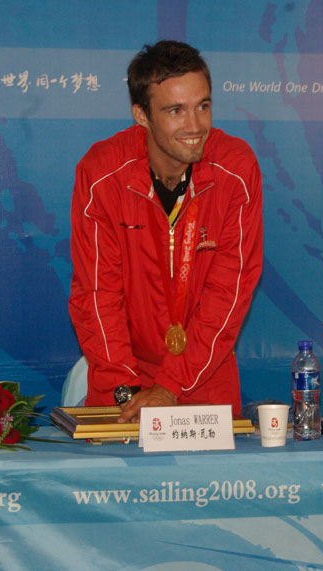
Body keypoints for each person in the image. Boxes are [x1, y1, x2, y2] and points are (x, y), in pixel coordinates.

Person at [69, 40, 263, 422]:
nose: (195, 127)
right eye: (176, 111)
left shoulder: (236, 171)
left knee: (215, 484)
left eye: (202, 107)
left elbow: (229, 294)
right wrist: (126, 391)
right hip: (121, 378)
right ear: (141, 115)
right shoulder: (102, 174)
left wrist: (171, 386)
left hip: (204, 373)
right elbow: (97, 295)